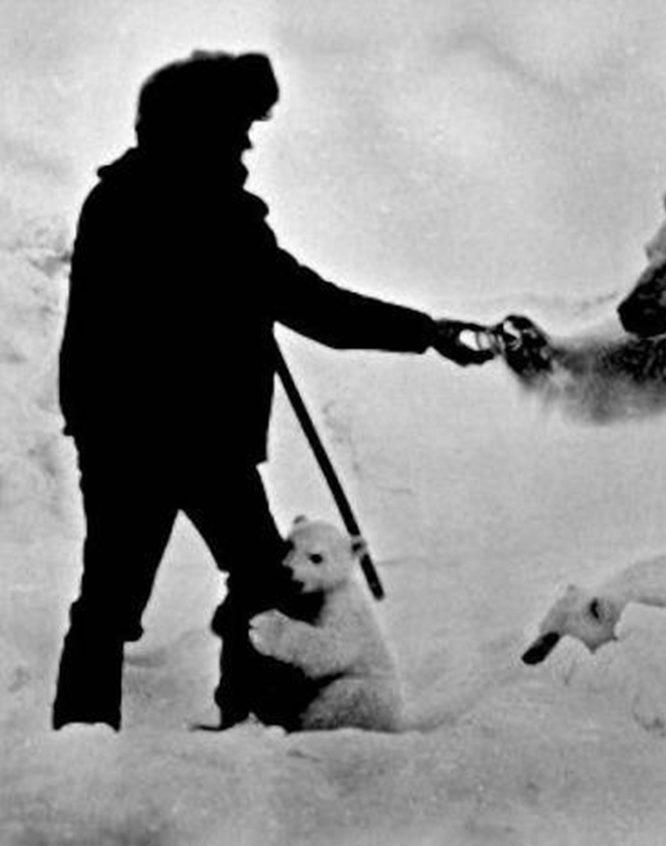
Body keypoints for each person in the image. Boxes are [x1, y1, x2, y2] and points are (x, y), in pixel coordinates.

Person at [52, 50, 494, 731]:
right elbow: (315, 308)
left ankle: (87, 745)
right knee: (255, 584)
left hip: (129, 437)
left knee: (117, 601)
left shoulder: (121, 197)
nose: (250, 141)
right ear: (203, 128)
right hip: (188, 440)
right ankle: (241, 723)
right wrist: (427, 332)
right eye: (240, 127)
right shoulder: (212, 209)